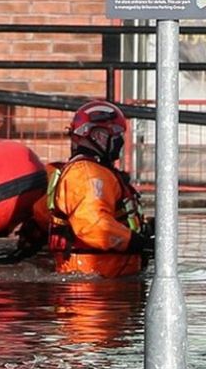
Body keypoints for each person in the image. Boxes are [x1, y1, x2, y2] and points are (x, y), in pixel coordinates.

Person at [42, 100, 152, 278]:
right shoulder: (87, 174)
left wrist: (145, 231)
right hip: (92, 289)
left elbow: (43, 214)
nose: (120, 140)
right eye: (116, 133)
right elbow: (93, 225)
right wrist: (138, 243)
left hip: (109, 278)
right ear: (97, 135)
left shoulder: (91, 172)